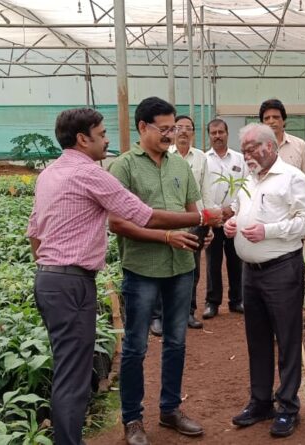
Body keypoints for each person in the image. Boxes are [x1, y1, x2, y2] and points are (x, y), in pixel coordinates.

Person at [27, 107, 221, 445]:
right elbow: (140, 216)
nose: (106, 140)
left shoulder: (48, 174)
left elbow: (34, 231)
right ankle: (119, 423)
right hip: (84, 278)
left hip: (55, 278)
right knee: (90, 367)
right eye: (101, 134)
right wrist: (205, 216)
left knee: (70, 369)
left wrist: (50, 267)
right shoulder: (100, 172)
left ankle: (166, 410)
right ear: (82, 139)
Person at [107, 97, 207, 445]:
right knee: (135, 346)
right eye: (164, 129)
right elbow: (117, 222)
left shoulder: (180, 166)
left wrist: (199, 235)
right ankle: (133, 419)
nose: (170, 135)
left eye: (174, 129)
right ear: (142, 128)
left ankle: (169, 409)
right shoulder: (123, 167)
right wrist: (166, 235)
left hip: (180, 267)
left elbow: (194, 211)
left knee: (176, 342)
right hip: (142, 268)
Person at [226, 123, 305, 438]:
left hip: (282, 269)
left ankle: (288, 407)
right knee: (258, 339)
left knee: (288, 340)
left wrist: (270, 231)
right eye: (245, 149)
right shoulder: (249, 179)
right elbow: (241, 210)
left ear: (271, 147)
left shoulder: (293, 178)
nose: (247, 154)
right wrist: (233, 222)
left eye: (253, 148)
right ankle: (260, 401)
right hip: (250, 272)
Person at [163, 114, 213, 330]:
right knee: (165, 267)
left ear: (193, 132)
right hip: (169, 220)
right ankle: (166, 314)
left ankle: (189, 312)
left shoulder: (201, 158)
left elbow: (206, 191)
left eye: (188, 128)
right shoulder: (164, 155)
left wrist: (208, 223)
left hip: (195, 220)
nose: (183, 131)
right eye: (179, 127)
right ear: (173, 131)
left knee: (192, 269)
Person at [202, 119, 247, 319]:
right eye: (214, 132)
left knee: (236, 260)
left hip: (234, 218)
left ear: (227, 133)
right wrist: (213, 213)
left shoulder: (240, 159)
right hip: (212, 220)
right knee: (212, 262)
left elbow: (247, 186)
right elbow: (201, 190)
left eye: (221, 132)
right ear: (209, 135)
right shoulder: (203, 160)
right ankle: (212, 302)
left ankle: (237, 300)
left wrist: (232, 209)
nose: (217, 135)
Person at [259, 99, 305, 180]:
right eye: (267, 118)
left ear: (283, 121)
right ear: (262, 123)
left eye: (275, 117)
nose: (271, 121)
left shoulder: (300, 145)